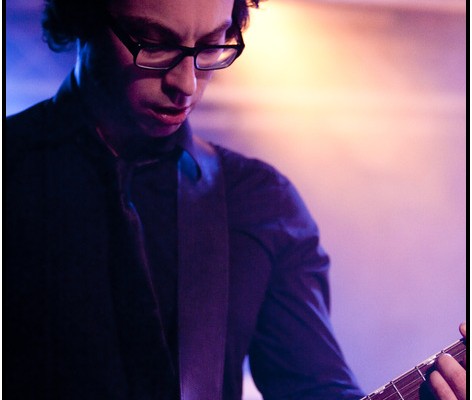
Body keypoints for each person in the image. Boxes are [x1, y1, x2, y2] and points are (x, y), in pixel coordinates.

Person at [4, 0, 466, 399]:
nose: (185, 83)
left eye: (211, 45)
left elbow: (313, 389)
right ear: (83, 16)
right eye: (154, 41)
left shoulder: (259, 204)